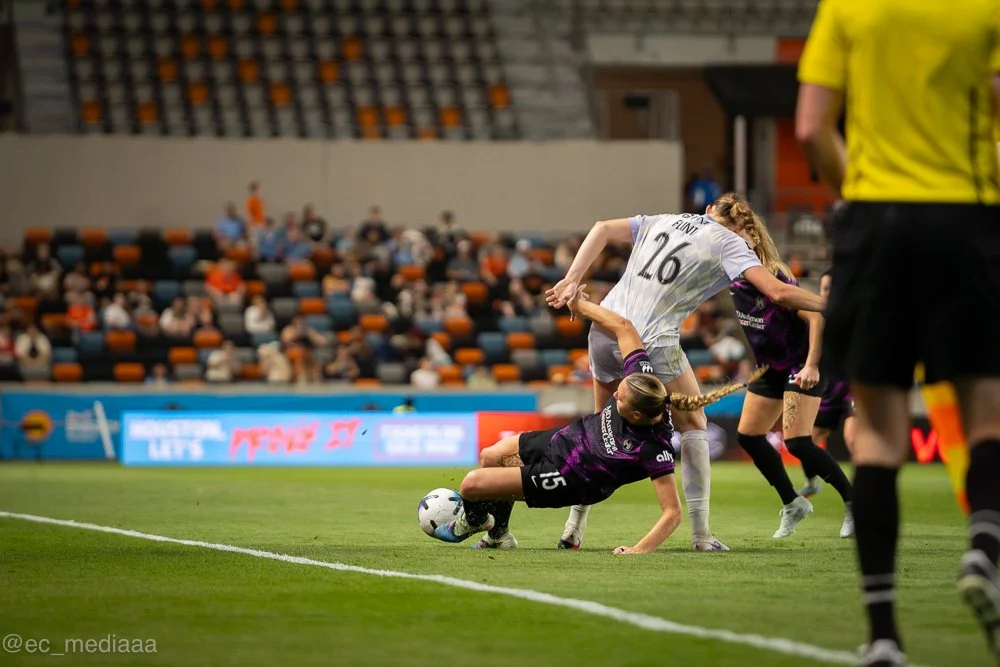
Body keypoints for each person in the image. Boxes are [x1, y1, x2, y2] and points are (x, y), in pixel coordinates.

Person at [796, 2, 1000, 663]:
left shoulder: (850, 9)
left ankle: (883, 634)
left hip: (875, 221)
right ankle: (986, 545)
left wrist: (858, 185)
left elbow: (809, 129)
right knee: (985, 412)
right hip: (965, 216)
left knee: (880, 432)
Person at [546, 192, 826, 552]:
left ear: (708, 210)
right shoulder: (730, 242)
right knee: (694, 425)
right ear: (742, 227)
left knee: (601, 426)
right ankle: (701, 536)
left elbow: (600, 228)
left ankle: (573, 528)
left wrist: (571, 279)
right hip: (650, 339)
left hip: (604, 327)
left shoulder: (661, 219)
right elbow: (778, 292)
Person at [436, 285, 766, 552]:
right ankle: (499, 537)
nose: (614, 394)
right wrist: (581, 305)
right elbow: (624, 326)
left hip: (568, 478)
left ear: (635, 415)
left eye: (618, 398)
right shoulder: (641, 382)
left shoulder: (653, 447)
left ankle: (476, 521)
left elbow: (672, 513)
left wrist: (638, 550)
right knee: (490, 456)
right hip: (562, 439)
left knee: (471, 484)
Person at [728, 239, 854, 539]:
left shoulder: (777, 279)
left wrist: (811, 364)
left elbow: (814, 316)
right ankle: (792, 502)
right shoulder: (731, 279)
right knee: (748, 436)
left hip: (799, 365)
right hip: (770, 369)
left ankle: (853, 502)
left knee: (797, 442)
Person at [799, 269, 856, 498]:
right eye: (824, 289)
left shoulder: (858, 313)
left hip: (855, 387)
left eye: (832, 288)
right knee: (805, 442)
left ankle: (862, 491)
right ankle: (812, 483)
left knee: (854, 438)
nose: (828, 294)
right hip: (830, 389)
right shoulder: (815, 319)